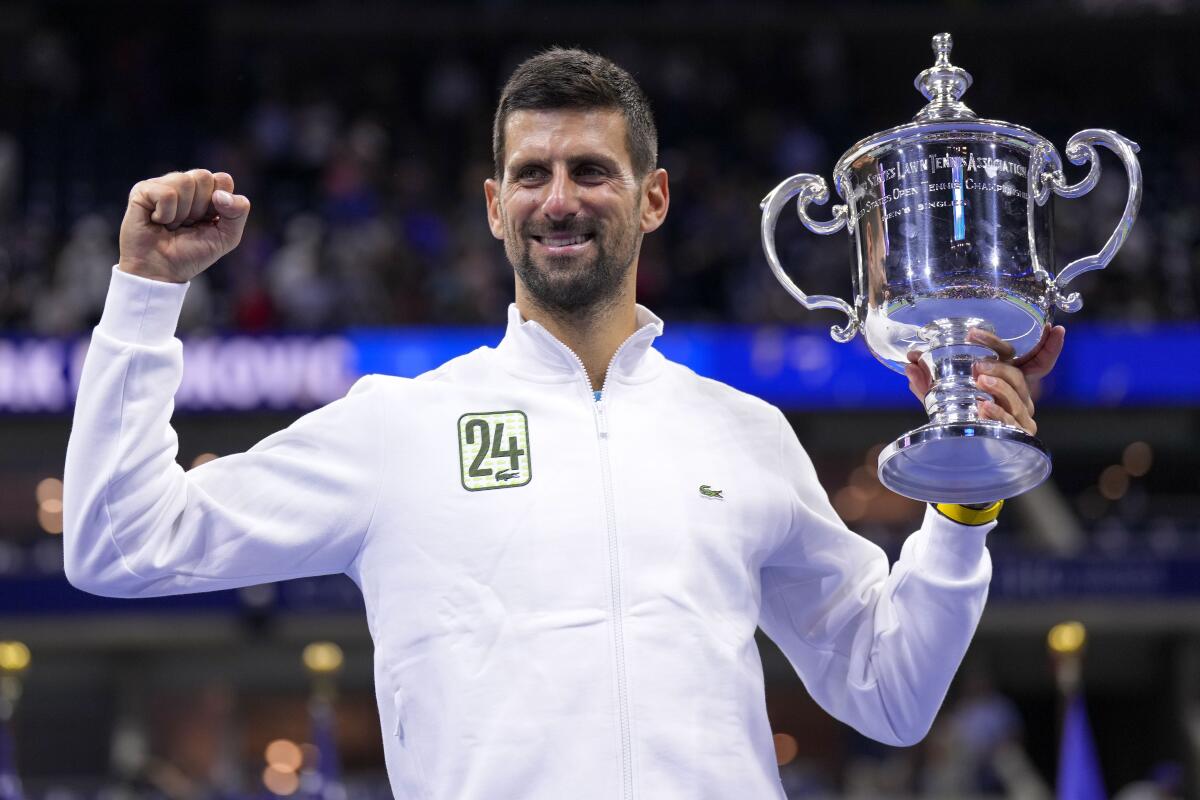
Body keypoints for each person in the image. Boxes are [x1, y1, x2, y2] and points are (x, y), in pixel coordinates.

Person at [63, 48, 1063, 800]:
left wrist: (961, 506)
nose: (561, 198)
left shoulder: (744, 432)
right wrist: (145, 296)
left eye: (592, 169)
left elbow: (888, 690)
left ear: (653, 197)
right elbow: (118, 543)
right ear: (496, 205)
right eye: (532, 175)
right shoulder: (399, 427)